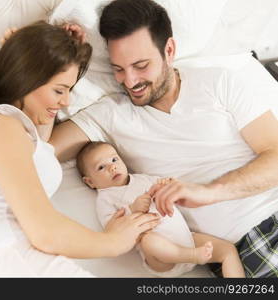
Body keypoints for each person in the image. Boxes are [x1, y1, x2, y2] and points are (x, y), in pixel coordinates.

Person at [50, 0, 278, 278]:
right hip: (248, 247)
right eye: (118, 69)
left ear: (169, 50)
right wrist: (50, 63)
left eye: (141, 65)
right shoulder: (110, 116)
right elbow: (35, 150)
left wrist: (208, 192)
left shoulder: (219, 81)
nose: (130, 81)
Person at [0, 20, 160, 277]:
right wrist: (114, 242)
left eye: (70, 89)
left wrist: (66, 48)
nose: (67, 100)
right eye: (60, 90)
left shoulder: (24, 130)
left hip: (17, 259)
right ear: (27, 79)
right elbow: (44, 232)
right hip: (7, 260)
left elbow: (43, 126)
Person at [76, 141, 245, 277]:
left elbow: (161, 185)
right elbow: (111, 230)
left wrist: (165, 185)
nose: (112, 167)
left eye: (114, 160)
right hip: (161, 258)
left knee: (228, 251)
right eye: (101, 167)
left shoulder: (141, 179)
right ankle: (192, 256)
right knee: (149, 241)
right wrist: (132, 210)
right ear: (90, 182)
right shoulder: (105, 199)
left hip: (187, 239)